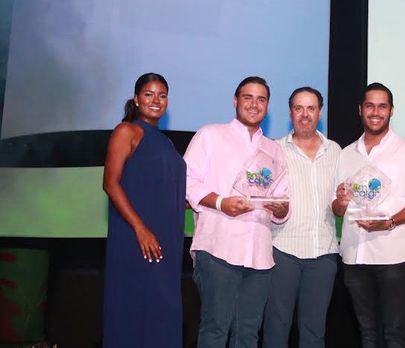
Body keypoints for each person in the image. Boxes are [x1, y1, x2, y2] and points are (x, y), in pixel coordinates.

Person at [184, 76, 290, 347]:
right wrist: (222, 203)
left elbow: (282, 202)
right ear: (235, 101)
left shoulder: (274, 149)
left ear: (267, 106)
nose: (254, 105)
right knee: (215, 329)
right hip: (218, 247)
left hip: (259, 254)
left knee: (248, 333)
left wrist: (280, 208)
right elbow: (186, 181)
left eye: (261, 99)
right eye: (248, 97)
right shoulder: (211, 134)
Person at [332, 82, 405, 348]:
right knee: (367, 333)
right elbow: (337, 208)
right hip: (354, 255)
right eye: (370, 106)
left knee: (394, 333)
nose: (376, 112)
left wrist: (389, 223)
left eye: (382, 106)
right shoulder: (347, 153)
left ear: (391, 111)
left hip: (395, 256)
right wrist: (340, 202)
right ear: (360, 110)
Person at [102, 73, 186, 348]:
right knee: (134, 309)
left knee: (162, 312)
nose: (156, 100)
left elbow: (165, 189)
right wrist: (140, 229)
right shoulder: (126, 131)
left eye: (162, 95)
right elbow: (111, 184)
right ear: (137, 99)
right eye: (149, 94)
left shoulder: (166, 143)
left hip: (166, 242)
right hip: (137, 240)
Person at [263, 87, 341, 348]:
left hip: (324, 253)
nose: (305, 114)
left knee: (314, 331)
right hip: (282, 250)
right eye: (299, 108)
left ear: (320, 112)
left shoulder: (336, 151)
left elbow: (337, 202)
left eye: (310, 108)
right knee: (276, 327)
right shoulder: (273, 150)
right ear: (290, 113)